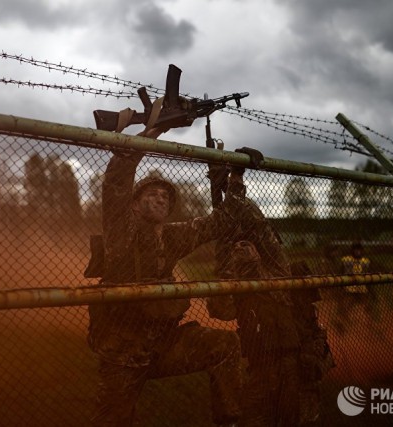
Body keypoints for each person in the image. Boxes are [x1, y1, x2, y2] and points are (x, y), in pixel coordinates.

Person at [86, 125, 244, 427]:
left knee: (225, 345)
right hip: (124, 353)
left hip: (165, 344)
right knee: (113, 419)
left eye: (165, 197)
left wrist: (235, 178)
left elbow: (220, 223)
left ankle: (230, 422)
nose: (161, 200)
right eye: (152, 194)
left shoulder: (172, 236)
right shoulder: (121, 234)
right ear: (134, 204)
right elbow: (117, 184)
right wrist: (150, 133)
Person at [206, 166, 332, 426]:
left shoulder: (278, 270)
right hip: (261, 369)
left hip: (298, 365)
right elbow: (221, 309)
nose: (242, 246)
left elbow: (256, 222)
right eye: (237, 245)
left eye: (248, 242)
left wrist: (234, 182)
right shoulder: (237, 284)